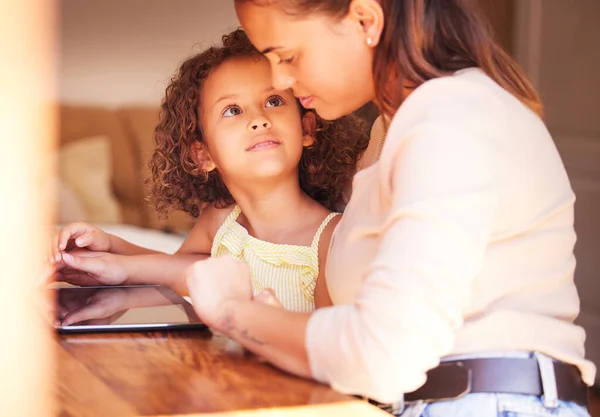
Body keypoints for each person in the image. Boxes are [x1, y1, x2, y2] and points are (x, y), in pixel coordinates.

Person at [183, 1, 596, 416]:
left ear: (366, 19)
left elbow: (385, 352)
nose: (281, 79)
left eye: (287, 56)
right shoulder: (390, 130)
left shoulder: (450, 117)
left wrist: (233, 313)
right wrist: (278, 326)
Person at [48, 29, 368, 312]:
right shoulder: (219, 220)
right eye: (233, 110)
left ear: (307, 127)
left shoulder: (330, 238)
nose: (258, 119)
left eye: (273, 101)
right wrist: (109, 247)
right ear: (203, 155)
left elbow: (327, 344)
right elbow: (178, 271)